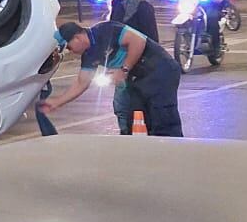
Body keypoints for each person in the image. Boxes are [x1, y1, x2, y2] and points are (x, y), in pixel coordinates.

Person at [42, 21, 184, 136]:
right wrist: (57, 102)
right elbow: (82, 83)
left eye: (69, 47)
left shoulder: (106, 30)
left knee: (162, 118)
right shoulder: (89, 55)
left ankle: (173, 154)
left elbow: (138, 41)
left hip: (160, 70)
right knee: (135, 118)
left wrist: (124, 69)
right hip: (138, 78)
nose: (69, 51)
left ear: (77, 38)